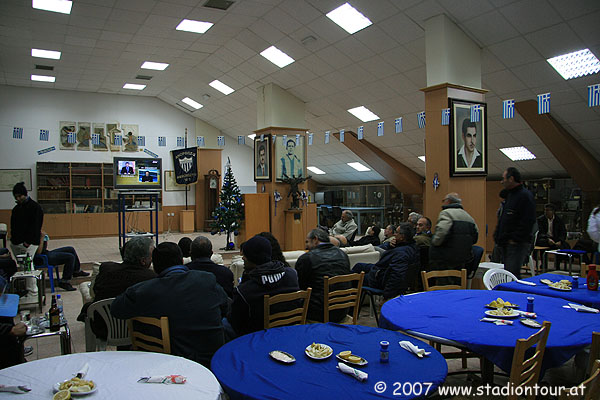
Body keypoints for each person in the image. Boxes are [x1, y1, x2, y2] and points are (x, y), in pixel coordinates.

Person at [111, 242, 228, 367]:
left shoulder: (145, 291)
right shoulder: (207, 279)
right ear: (182, 260)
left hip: (172, 363)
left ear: (154, 266)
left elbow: (116, 309)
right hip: (215, 359)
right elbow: (225, 307)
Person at [78, 237, 157, 339]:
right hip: (134, 331)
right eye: (151, 256)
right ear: (143, 261)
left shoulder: (106, 268)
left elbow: (94, 292)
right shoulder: (150, 278)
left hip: (102, 328)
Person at [227, 235, 299, 337]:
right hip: (289, 331)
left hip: (257, 337)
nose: (243, 257)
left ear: (253, 258)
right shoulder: (292, 275)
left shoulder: (244, 291)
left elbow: (236, 323)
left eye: (245, 255)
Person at [295, 228, 351, 322]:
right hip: (343, 310)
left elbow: (300, 287)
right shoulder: (342, 254)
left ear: (315, 239)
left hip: (317, 313)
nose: (306, 246)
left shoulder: (306, 258)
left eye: (307, 242)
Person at [352, 223, 419, 300]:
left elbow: (396, 276)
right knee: (359, 266)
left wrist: (387, 297)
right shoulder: (411, 247)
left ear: (402, 237)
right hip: (383, 271)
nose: (394, 234)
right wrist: (393, 246)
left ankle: (351, 307)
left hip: (379, 278)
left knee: (353, 278)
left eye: (396, 232)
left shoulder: (401, 254)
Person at [495, 167, 536, 279]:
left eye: (503, 178)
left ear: (511, 179)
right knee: (507, 274)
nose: (501, 181)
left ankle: (513, 296)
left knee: (512, 275)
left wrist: (514, 239)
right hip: (506, 243)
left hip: (516, 244)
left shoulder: (524, 196)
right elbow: (504, 218)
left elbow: (528, 221)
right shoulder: (511, 195)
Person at [429, 193, 479, 271]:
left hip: (446, 258)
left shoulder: (446, 213)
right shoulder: (468, 216)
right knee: (458, 281)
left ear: (448, 201)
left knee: (444, 282)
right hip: (463, 259)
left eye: (443, 200)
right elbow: (475, 237)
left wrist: (434, 242)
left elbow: (441, 233)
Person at [10, 182, 44, 260]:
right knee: (21, 264)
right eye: (16, 197)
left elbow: (36, 226)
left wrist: (28, 242)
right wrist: (14, 241)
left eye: (20, 196)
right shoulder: (16, 209)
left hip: (29, 244)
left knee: (27, 266)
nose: (18, 199)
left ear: (25, 194)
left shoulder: (35, 207)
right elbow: (13, 226)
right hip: (17, 243)